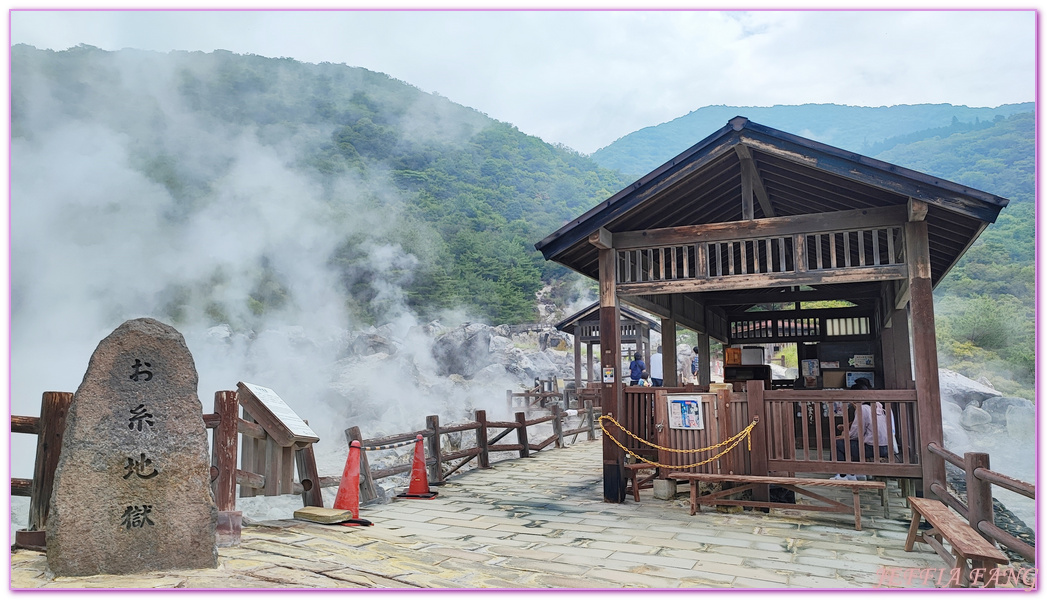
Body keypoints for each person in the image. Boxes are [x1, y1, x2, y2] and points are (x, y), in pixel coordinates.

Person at [833, 379, 895, 481]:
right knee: (856, 442)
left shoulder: (863, 408)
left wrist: (844, 436)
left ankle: (842, 474)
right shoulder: (877, 405)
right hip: (886, 446)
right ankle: (858, 473)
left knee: (838, 443)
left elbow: (856, 432)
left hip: (873, 447)